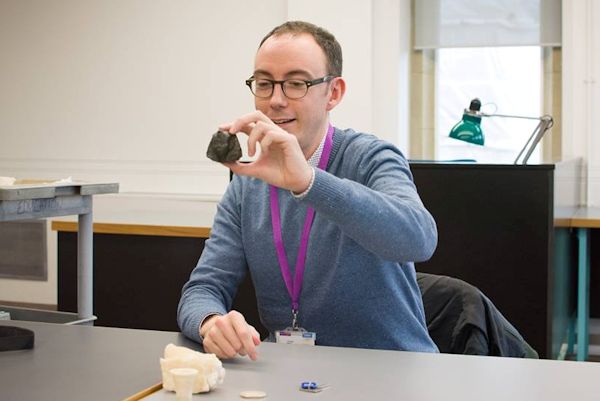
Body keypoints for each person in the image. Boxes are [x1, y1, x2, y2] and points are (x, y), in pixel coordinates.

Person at [178, 21, 438, 361]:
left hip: (390, 370)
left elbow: (418, 238)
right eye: (264, 83)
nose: (276, 100)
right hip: (293, 374)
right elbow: (203, 288)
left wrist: (308, 182)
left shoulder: (371, 157)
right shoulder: (247, 184)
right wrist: (210, 323)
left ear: (333, 93)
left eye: (296, 84)